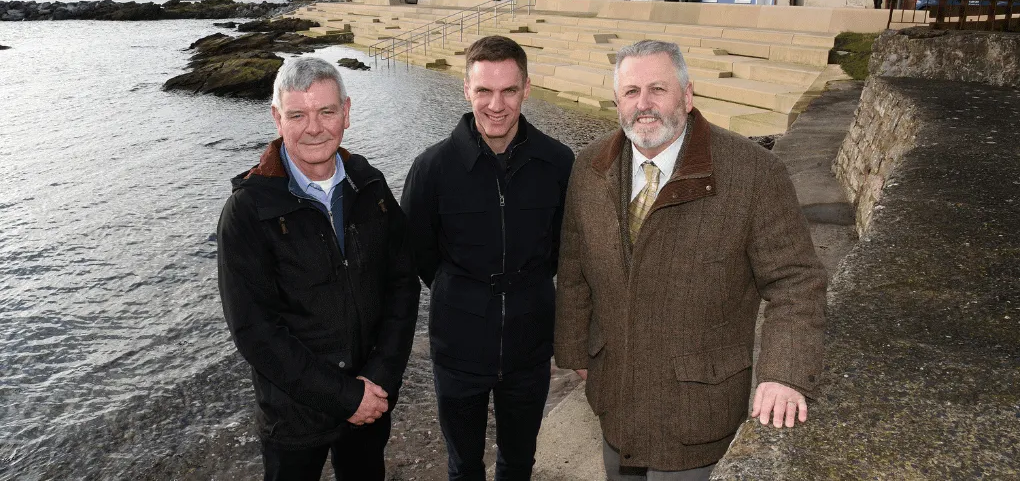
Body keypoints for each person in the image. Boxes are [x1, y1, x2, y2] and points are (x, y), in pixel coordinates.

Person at [554, 40, 827, 480]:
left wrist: (784, 373)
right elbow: (573, 268)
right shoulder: (590, 167)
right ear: (617, 101)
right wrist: (575, 350)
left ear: (687, 94)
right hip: (615, 401)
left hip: (697, 410)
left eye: (658, 89)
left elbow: (796, 282)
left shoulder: (754, 173)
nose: (643, 105)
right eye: (631, 92)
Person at [217, 56, 420, 481]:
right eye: (298, 114)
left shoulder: (370, 185)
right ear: (277, 118)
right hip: (295, 416)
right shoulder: (248, 211)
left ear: (346, 113)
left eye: (327, 111)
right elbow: (256, 332)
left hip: (371, 397)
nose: (314, 127)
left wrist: (379, 379)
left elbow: (402, 285)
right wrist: (347, 396)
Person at [400, 35, 574, 481]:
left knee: (518, 463)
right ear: (466, 90)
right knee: (464, 466)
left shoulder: (557, 163)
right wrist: (465, 292)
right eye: (484, 91)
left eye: (508, 91)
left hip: (530, 346)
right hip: (457, 347)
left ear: (526, 89)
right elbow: (420, 256)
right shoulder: (431, 168)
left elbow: (562, 249)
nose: (496, 105)